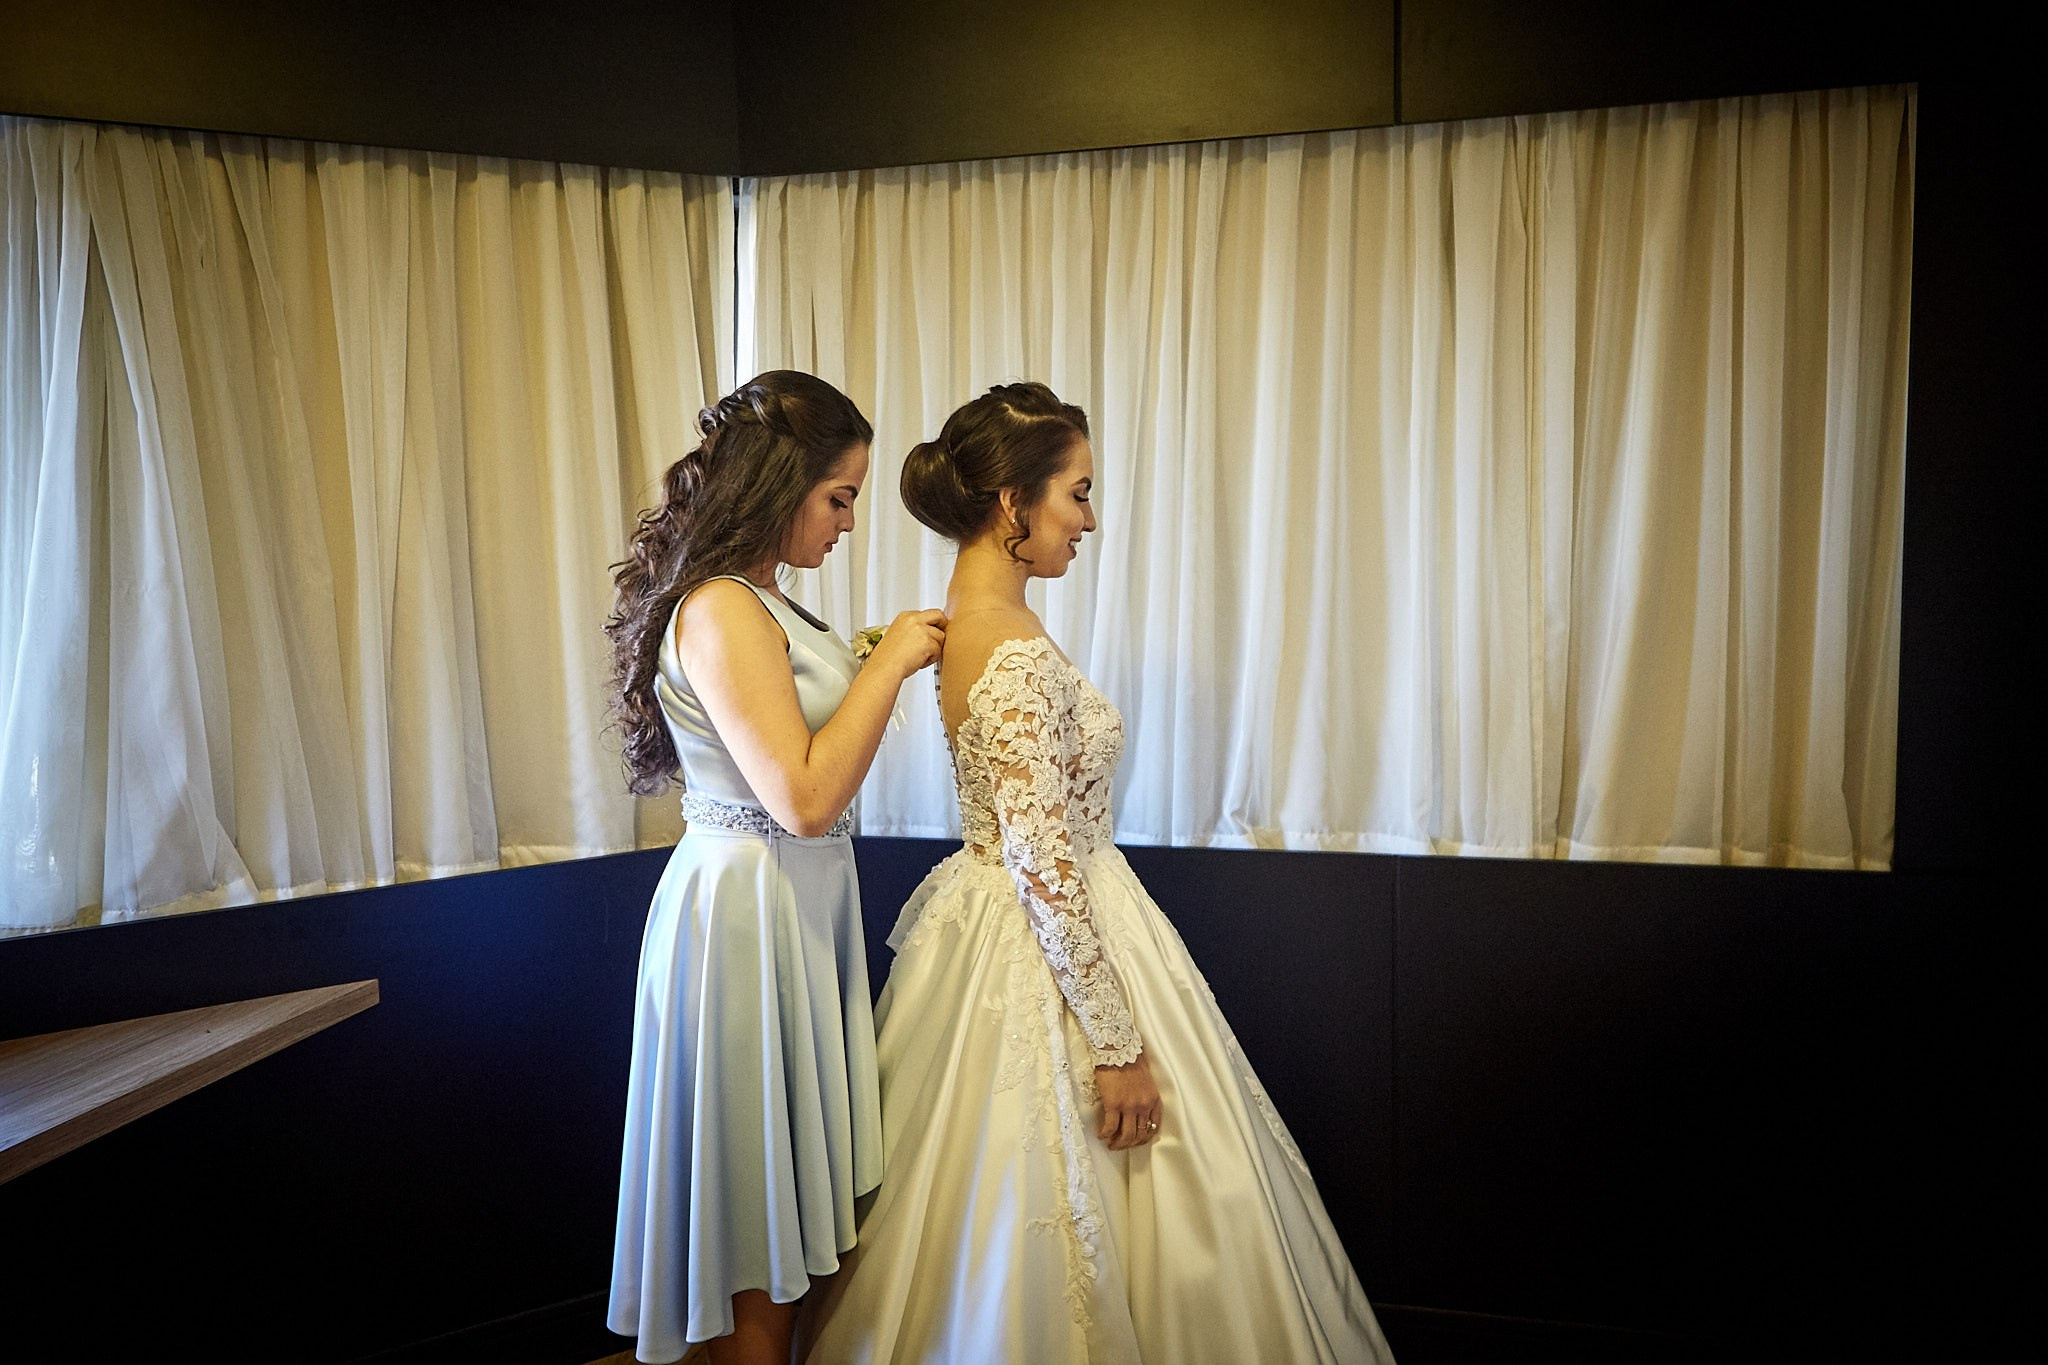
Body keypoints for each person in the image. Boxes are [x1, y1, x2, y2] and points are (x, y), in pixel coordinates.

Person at [802, 383, 1394, 1363]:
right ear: (1012, 500)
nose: (1087, 520)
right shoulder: (1008, 648)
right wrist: (1114, 1044)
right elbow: (1041, 860)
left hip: (1021, 913)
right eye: (1076, 493)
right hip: (1047, 924)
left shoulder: (979, 624)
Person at [604, 371, 946, 1365]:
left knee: (787, 1190)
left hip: (793, 906)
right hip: (746, 918)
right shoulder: (720, 608)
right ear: (779, 483)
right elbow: (801, 797)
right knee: (755, 1205)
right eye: (839, 497)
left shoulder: (765, 603)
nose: (848, 522)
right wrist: (887, 666)